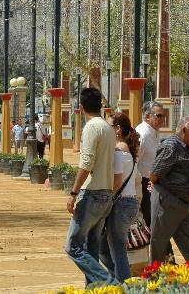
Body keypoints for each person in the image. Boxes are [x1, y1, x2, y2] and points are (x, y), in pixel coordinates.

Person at [64, 87, 117, 286]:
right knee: (91, 248)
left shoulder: (91, 128)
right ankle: (94, 289)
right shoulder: (107, 128)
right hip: (106, 193)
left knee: (73, 247)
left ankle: (110, 283)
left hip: (92, 192)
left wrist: (73, 193)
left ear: (82, 107)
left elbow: (86, 163)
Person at [148, 116, 189, 266]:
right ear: (184, 130)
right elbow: (154, 174)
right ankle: (154, 282)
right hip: (168, 203)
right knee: (158, 247)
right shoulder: (171, 146)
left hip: (184, 206)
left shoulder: (185, 146)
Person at [99, 112, 140, 283]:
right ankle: (117, 280)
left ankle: (124, 285)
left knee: (117, 250)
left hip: (121, 204)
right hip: (128, 203)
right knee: (104, 248)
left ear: (117, 129)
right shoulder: (126, 149)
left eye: (109, 126)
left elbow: (116, 183)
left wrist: (103, 201)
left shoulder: (118, 150)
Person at [136, 102, 165, 229]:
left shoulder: (155, 132)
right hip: (143, 183)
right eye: (159, 116)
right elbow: (135, 162)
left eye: (163, 116)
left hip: (155, 182)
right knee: (151, 220)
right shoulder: (141, 134)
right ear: (148, 116)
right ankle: (163, 248)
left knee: (157, 219)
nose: (162, 119)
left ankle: (162, 248)